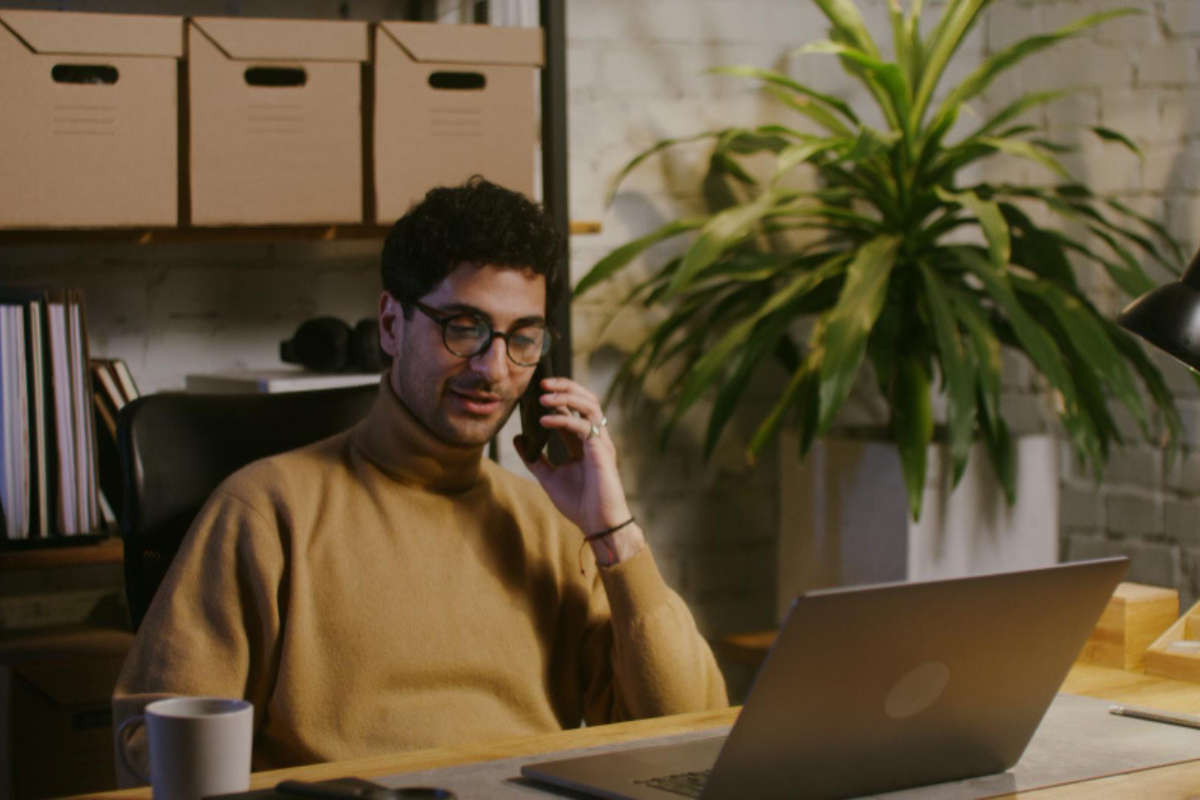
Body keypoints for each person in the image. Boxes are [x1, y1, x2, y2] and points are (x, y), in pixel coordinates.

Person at [112, 177, 728, 781]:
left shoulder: (556, 527)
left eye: (524, 338)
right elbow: (146, 743)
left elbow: (690, 734)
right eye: (464, 327)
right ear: (390, 323)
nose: (493, 368)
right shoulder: (266, 510)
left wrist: (613, 531)